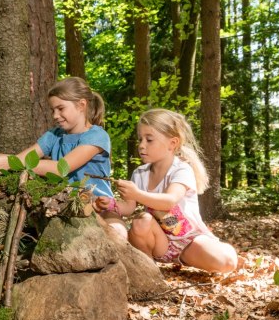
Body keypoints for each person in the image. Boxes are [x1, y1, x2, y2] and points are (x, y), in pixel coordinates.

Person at [94, 108, 238, 273]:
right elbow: (129, 208)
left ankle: (211, 250)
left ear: (173, 143)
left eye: (149, 140)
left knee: (226, 262)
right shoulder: (140, 173)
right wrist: (109, 204)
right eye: (140, 139)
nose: (141, 145)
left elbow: (170, 201)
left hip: (188, 241)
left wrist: (137, 193)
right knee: (143, 220)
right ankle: (149, 269)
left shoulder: (182, 170)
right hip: (158, 242)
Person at [0, 77, 122, 230]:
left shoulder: (97, 136)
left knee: (118, 233)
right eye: (52, 110)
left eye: (61, 108)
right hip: (65, 206)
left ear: (81, 105)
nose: (55, 115)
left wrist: (10, 162)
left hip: (100, 206)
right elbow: (21, 159)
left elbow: (61, 168)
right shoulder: (54, 135)